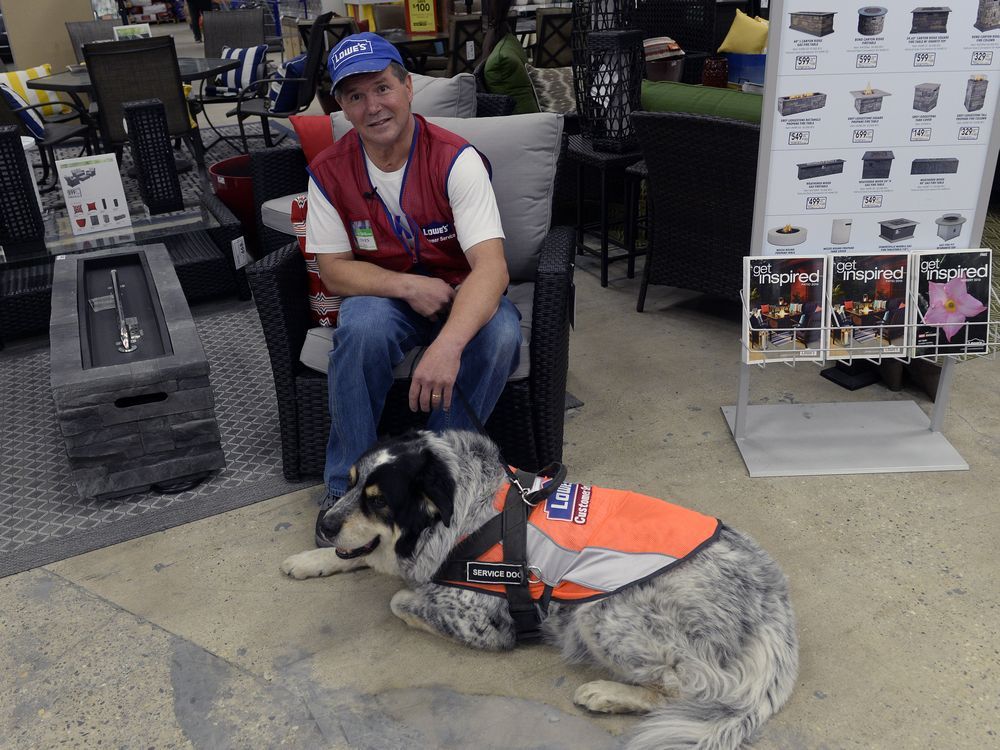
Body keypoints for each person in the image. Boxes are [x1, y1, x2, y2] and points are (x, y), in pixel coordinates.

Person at [305, 33, 522, 534]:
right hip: (389, 297)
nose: (373, 106)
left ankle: (436, 479)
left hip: (462, 292)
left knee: (503, 334)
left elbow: (491, 268)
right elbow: (334, 269)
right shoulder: (328, 172)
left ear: (407, 87)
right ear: (341, 105)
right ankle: (345, 487)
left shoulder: (455, 159)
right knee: (360, 328)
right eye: (355, 96)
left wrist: (447, 345)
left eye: (382, 88)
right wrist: (407, 287)